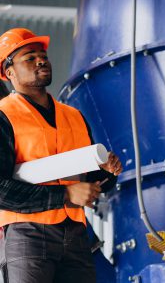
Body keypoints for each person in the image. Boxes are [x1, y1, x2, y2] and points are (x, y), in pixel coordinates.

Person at [0, 28, 123, 283]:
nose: (41, 60)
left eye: (42, 54)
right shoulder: (4, 115)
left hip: (76, 235)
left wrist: (107, 173)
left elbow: (89, 179)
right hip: (28, 235)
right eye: (30, 57)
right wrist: (66, 195)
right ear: (9, 72)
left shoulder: (74, 116)